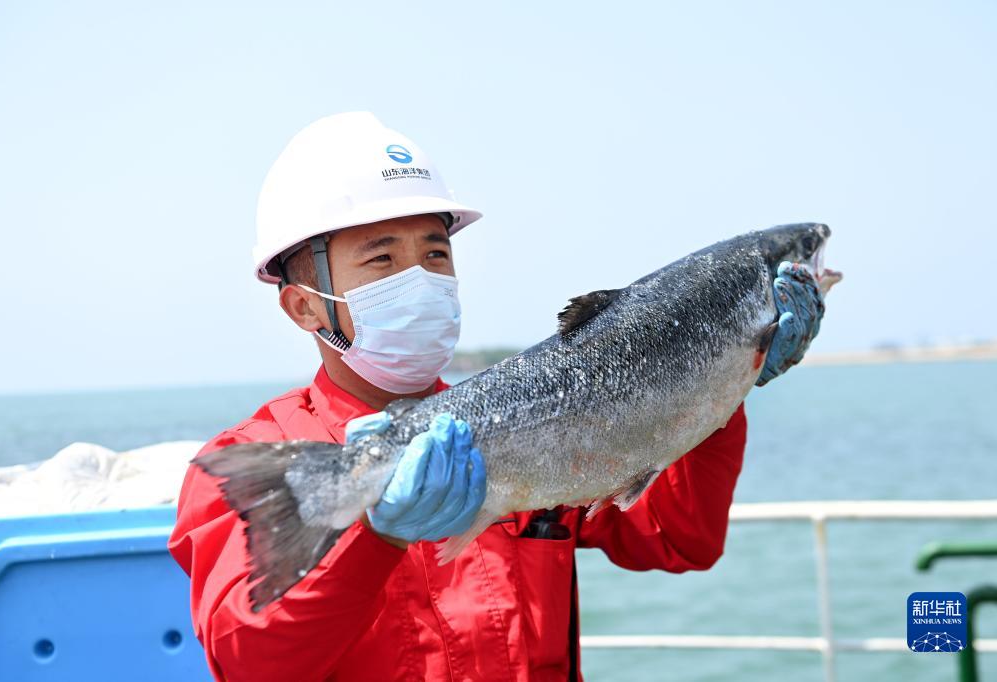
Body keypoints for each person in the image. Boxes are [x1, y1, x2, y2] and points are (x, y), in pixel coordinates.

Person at [168, 112, 824, 682]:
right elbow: (249, 663)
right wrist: (373, 537)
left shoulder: (536, 414)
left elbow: (676, 540)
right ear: (305, 306)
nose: (420, 279)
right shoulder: (255, 459)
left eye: (435, 255)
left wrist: (724, 381)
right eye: (382, 260)